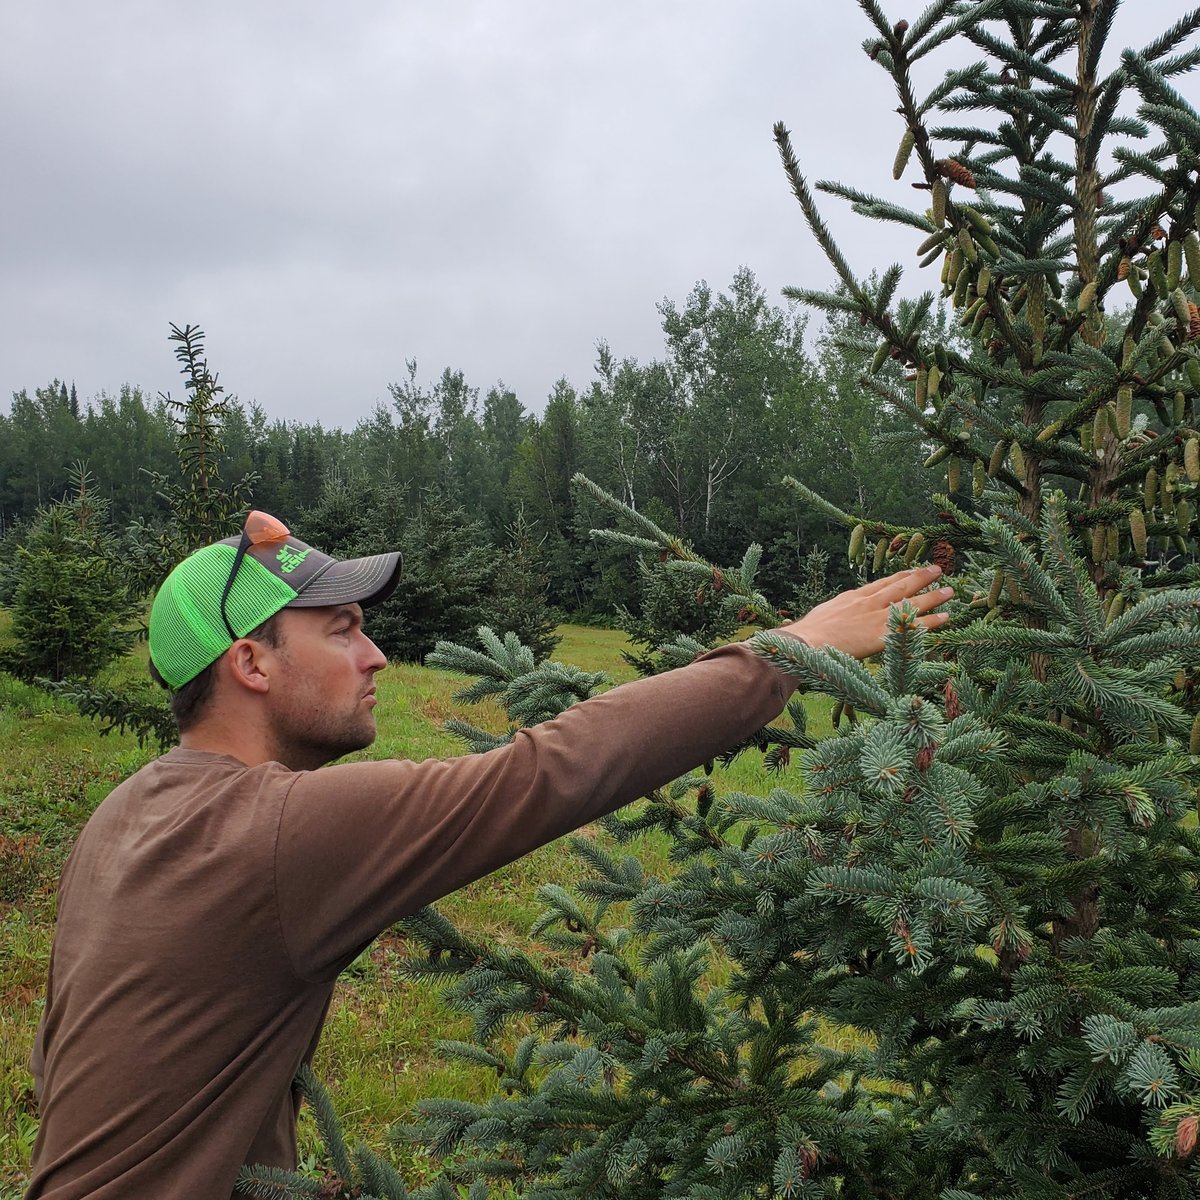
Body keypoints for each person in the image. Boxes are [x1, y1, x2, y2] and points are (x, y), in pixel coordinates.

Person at [25, 511, 953, 1200]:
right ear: (251, 665)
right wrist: (787, 652)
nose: (377, 656)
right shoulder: (275, 833)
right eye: (342, 630)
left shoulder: (125, 813)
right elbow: (551, 771)